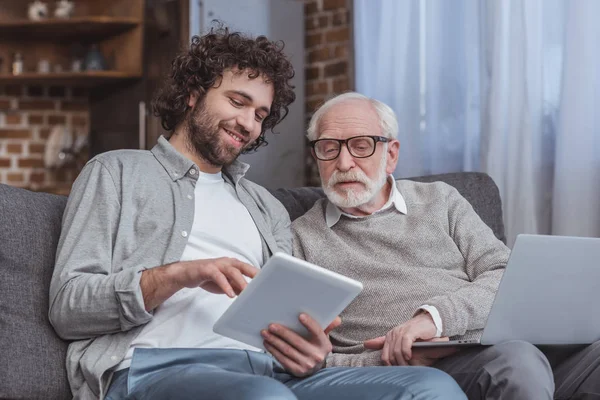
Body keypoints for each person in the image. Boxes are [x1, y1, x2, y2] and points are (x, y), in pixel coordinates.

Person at [49, 29, 465, 400]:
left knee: (431, 387)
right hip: (153, 370)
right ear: (193, 93)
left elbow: (290, 327)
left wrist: (311, 349)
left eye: (260, 115)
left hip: (271, 373)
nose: (248, 123)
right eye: (238, 101)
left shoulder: (264, 206)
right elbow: (68, 307)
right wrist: (178, 275)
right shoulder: (117, 172)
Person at [291, 91, 600, 400]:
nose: (344, 162)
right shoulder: (300, 238)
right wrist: (398, 357)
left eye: (361, 146)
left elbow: (505, 274)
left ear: (391, 155)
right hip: (444, 368)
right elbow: (308, 358)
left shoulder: (441, 199)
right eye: (328, 148)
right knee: (517, 364)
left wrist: (434, 318)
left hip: (494, 341)